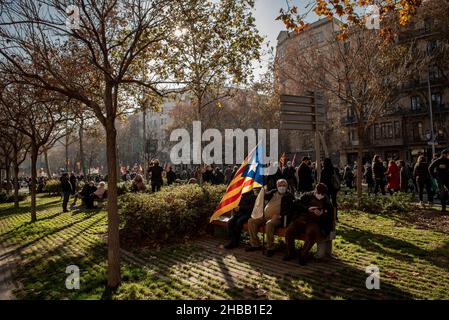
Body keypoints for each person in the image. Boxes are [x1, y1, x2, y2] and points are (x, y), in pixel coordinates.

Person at [283, 183, 333, 264]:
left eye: (322, 194)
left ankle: (303, 254)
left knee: (312, 233)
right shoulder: (307, 195)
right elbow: (296, 204)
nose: (319, 195)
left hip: (314, 222)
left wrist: (322, 213)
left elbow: (329, 216)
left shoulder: (327, 201)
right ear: (315, 190)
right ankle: (290, 252)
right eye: (318, 193)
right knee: (289, 231)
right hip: (302, 219)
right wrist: (307, 208)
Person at [246, 179, 295, 257]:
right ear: (277, 186)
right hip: (265, 216)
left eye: (283, 185)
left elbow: (290, 210)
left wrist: (280, 215)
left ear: (287, 186)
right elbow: (265, 196)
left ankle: (270, 247)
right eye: (280, 185)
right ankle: (255, 244)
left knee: (269, 224)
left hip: (278, 219)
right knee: (251, 221)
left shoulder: (289, 196)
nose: (281, 187)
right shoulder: (273, 192)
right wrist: (263, 190)